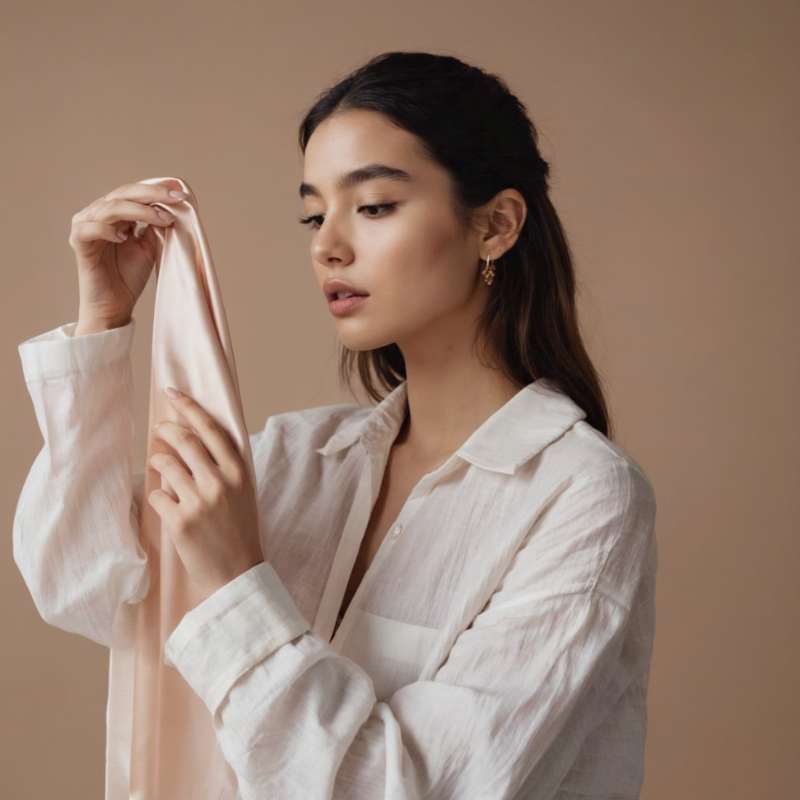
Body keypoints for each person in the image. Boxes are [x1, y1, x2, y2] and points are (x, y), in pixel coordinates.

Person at [14, 51, 658, 799]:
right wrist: (105, 323)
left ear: (496, 226)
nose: (328, 245)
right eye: (314, 214)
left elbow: (405, 787)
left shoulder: (584, 498)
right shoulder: (294, 458)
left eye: (375, 206)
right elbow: (84, 586)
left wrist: (234, 580)